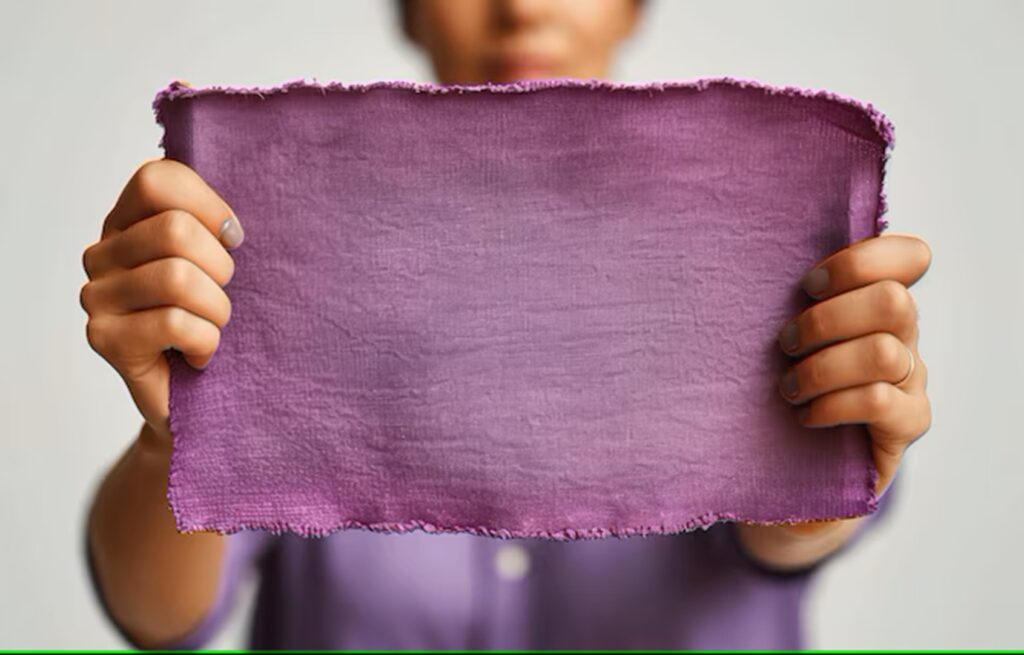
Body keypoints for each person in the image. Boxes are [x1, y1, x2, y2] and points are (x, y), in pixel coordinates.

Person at [79, 0, 932, 649]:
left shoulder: (756, 232)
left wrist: (814, 482)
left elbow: (784, 542)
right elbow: (161, 620)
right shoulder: (276, 242)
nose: (521, 4)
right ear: (409, 8)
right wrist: (173, 434)